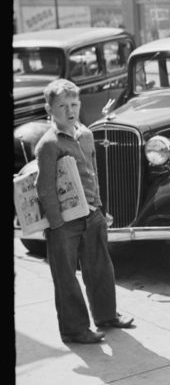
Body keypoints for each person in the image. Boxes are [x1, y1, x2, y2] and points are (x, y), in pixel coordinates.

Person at [34, 79, 133, 344]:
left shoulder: (86, 135)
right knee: (66, 276)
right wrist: (55, 224)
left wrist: (101, 209)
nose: (70, 110)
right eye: (62, 105)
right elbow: (44, 188)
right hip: (64, 223)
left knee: (100, 267)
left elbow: (93, 174)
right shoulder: (49, 144)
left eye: (74, 104)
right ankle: (74, 329)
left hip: (92, 214)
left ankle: (106, 315)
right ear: (49, 109)